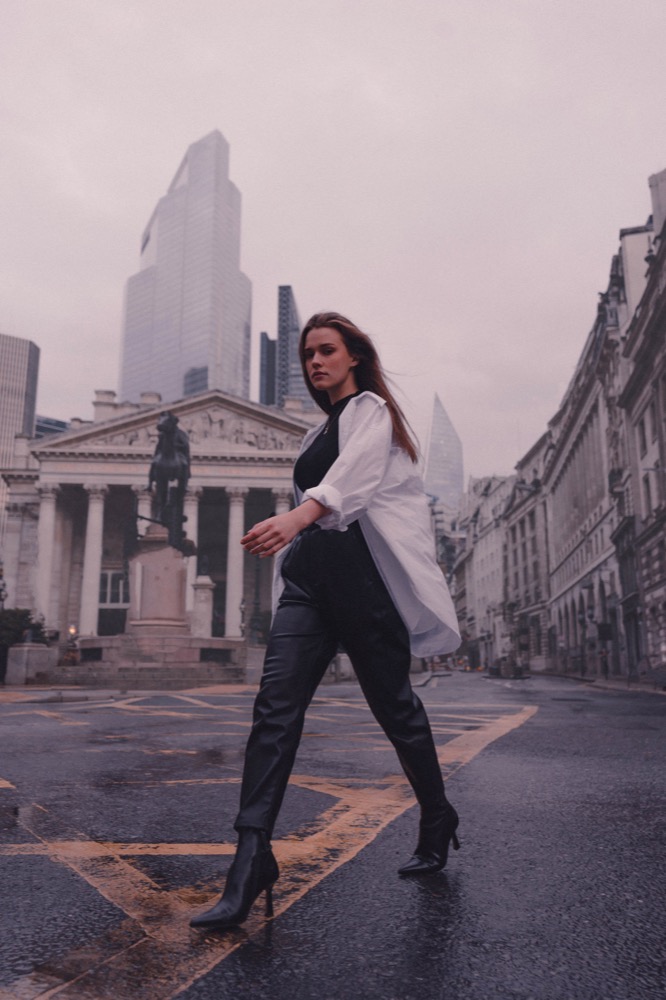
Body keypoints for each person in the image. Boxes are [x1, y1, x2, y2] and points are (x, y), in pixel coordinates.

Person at [190, 312, 461, 931]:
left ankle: (437, 814)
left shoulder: (370, 413)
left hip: (365, 586)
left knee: (396, 710)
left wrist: (296, 517)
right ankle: (251, 855)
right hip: (310, 585)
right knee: (274, 710)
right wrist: (293, 546)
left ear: (354, 358)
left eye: (327, 351)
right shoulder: (316, 432)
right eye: (308, 353)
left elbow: (354, 481)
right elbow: (327, 487)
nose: (315, 361)